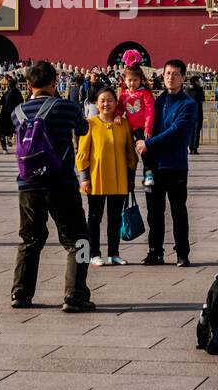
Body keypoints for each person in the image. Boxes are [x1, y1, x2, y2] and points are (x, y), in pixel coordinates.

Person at [10, 60, 92, 312]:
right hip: (62, 184)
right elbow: (83, 128)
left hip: (28, 185)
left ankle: (21, 293)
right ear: (55, 82)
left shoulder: (18, 112)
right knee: (79, 240)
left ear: (28, 84)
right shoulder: (66, 108)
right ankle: (74, 295)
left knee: (29, 239)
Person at [136, 59, 197, 267]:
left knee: (178, 210)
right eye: (168, 73)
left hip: (176, 165)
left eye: (175, 74)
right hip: (153, 166)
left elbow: (177, 131)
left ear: (183, 78)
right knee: (154, 212)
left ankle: (182, 252)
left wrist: (149, 143)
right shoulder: (156, 102)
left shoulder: (188, 104)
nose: (171, 77)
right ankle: (155, 251)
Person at [76, 86, 138, 267]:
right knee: (94, 217)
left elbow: (130, 154)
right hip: (96, 179)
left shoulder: (124, 124)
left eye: (110, 100)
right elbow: (82, 154)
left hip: (120, 179)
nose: (106, 104)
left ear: (116, 103)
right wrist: (84, 177)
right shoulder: (90, 124)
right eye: (102, 100)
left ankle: (113, 253)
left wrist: (131, 178)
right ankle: (94, 252)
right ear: (96, 103)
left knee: (115, 217)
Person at [119, 65, 156, 188]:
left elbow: (150, 111)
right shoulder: (123, 95)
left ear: (140, 80)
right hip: (130, 129)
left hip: (142, 129)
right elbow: (119, 108)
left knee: (146, 154)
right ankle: (129, 179)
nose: (132, 83)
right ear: (124, 80)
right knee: (129, 155)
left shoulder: (145, 93)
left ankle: (149, 175)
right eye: (129, 80)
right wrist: (117, 115)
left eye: (135, 80)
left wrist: (148, 128)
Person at [0, 76, 22, 153]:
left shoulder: (7, 92)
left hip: (4, 114)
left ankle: (4, 148)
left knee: (2, 132)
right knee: (16, 130)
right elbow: (21, 101)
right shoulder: (17, 92)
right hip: (14, 115)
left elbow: (0, 102)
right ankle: (18, 146)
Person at [188, 75, 205, 155]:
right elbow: (202, 99)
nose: (199, 82)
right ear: (195, 81)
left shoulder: (186, 89)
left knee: (190, 130)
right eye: (198, 80)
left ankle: (190, 148)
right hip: (198, 112)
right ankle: (195, 148)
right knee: (197, 131)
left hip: (189, 113)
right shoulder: (200, 89)